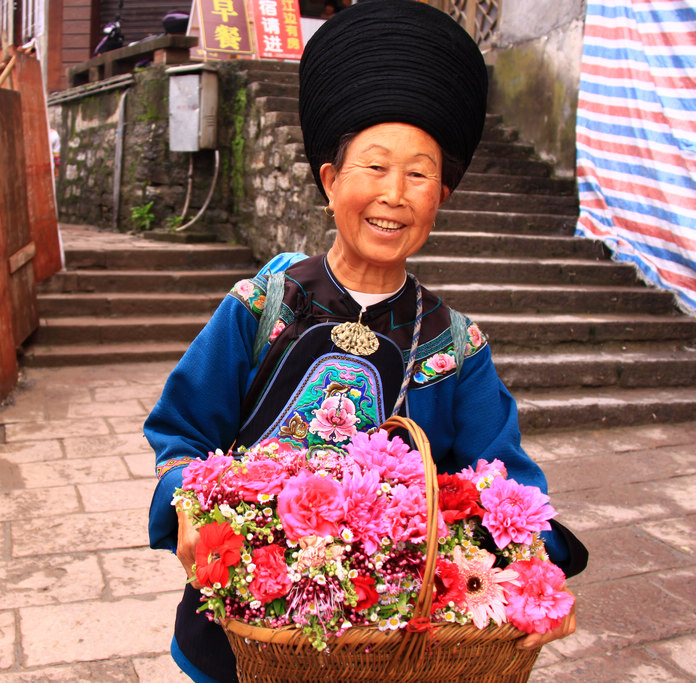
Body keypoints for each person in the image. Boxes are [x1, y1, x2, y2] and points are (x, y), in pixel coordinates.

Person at [144, 2, 588, 682]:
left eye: (419, 175)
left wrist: (539, 571)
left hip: (386, 644)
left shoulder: (455, 346)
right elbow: (180, 432)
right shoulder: (262, 307)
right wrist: (190, 508)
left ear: (441, 194)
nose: (394, 194)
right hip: (245, 631)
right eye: (375, 167)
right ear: (330, 181)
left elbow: (505, 480)